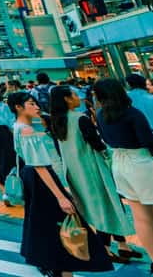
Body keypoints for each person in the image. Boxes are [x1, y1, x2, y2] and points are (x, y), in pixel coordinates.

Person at [10, 91, 112, 275]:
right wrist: (60, 196)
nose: (37, 107)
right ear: (18, 107)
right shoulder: (27, 130)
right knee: (63, 219)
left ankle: (49, 262)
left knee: (42, 221)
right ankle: (62, 266)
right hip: (41, 177)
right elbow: (40, 166)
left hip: (30, 177)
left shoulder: (17, 126)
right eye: (31, 104)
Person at [48, 86, 139, 264]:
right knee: (106, 206)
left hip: (74, 172)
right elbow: (96, 143)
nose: (78, 98)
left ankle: (123, 247)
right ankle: (105, 249)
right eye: (74, 95)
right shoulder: (80, 119)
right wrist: (110, 155)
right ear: (67, 99)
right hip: (93, 168)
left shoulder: (57, 121)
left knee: (103, 206)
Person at [94, 78, 153, 274]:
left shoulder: (101, 115)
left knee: (140, 216)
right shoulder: (132, 114)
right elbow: (147, 141)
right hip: (141, 163)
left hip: (119, 163)